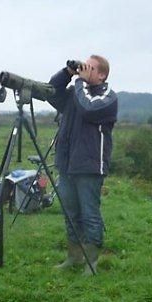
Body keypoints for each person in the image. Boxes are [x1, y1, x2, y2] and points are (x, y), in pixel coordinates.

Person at [47, 55, 118, 274]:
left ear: (102, 74)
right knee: (71, 213)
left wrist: (79, 82)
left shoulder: (108, 97)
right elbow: (52, 91)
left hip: (89, 164)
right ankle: (74, 257)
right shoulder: (74, 94)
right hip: (67, 162)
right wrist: (67, 73)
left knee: (89, 213)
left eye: (90, 68)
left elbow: (89, 109)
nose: (84, 70)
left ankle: (91, 262)